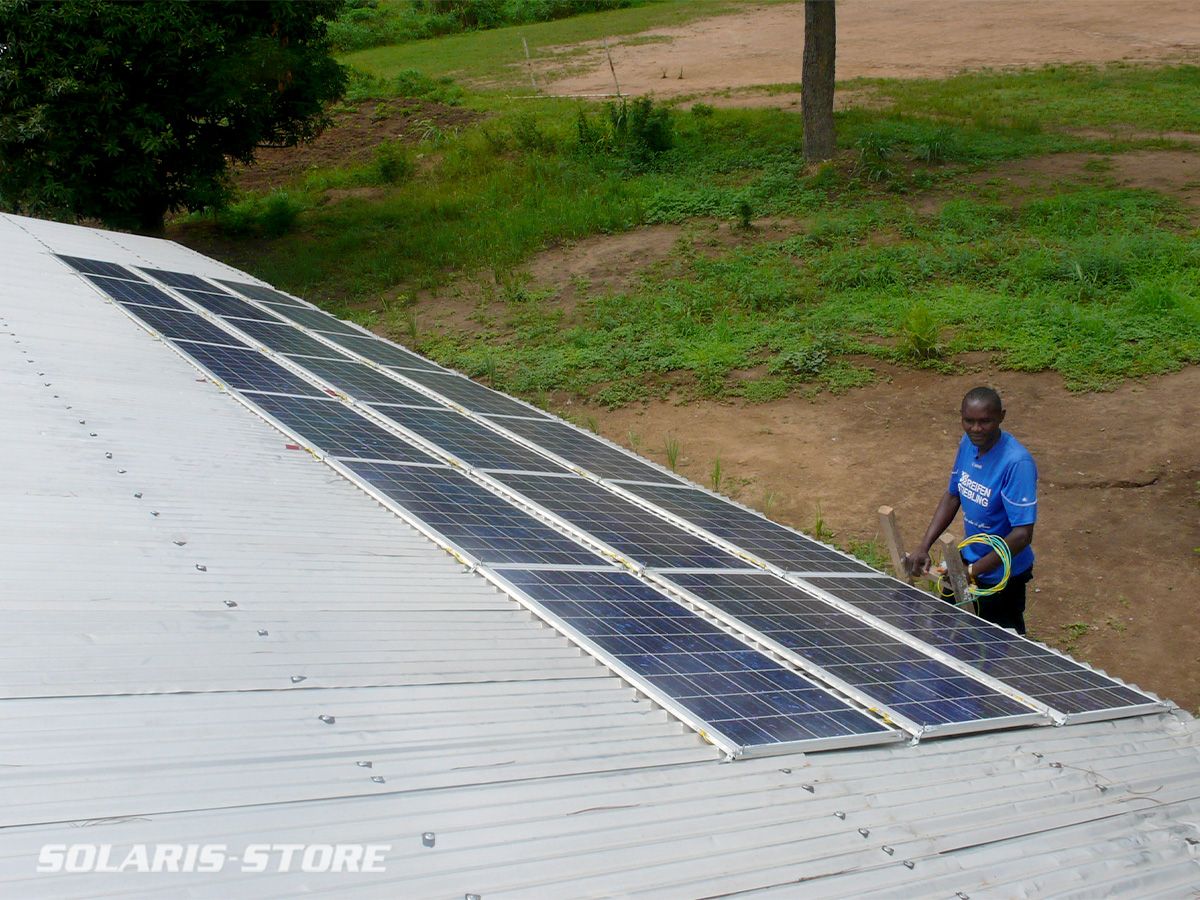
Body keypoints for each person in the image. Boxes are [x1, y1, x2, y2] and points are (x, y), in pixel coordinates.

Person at [903, 386, 1038, 633]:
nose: (976, 429)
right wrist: (924, 546)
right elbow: (953, 495)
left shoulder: (1017, 463)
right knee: (948, 631)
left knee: (997, 646)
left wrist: (974, 572)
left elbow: (1022, 534)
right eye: (969, 421)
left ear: (1001, 417)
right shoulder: (968, 443)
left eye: (985, 421)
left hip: (1001, 576)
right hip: (967, 562)